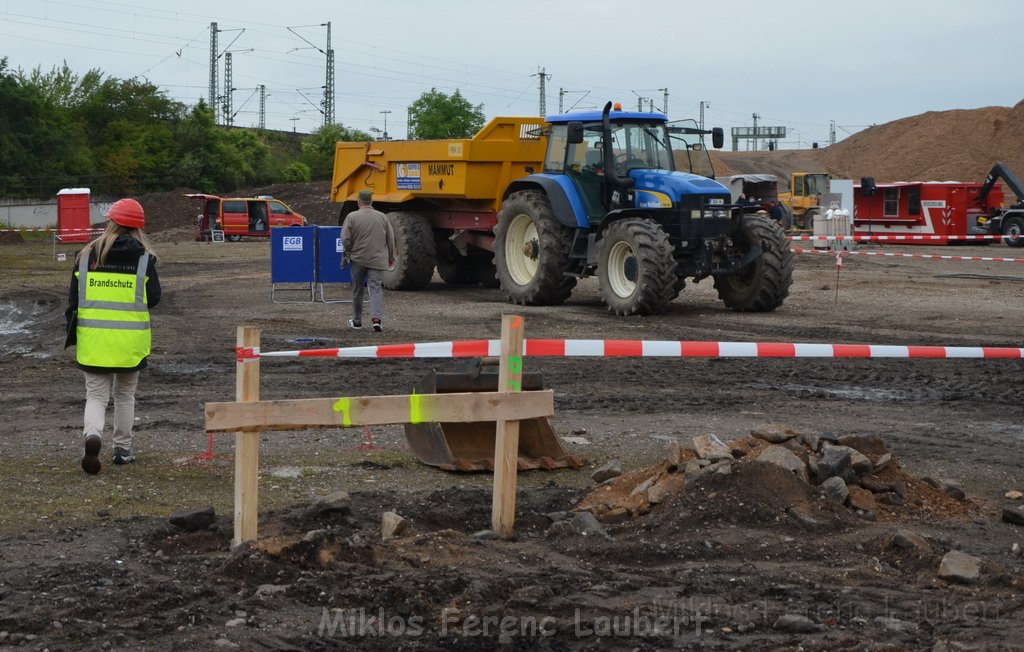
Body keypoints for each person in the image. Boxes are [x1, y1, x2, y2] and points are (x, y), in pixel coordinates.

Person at [65, 198, 161, 474]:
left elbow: (74, 301)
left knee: (95, 396)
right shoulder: (144, 258)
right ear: (137, 228)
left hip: (93, 341)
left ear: (111, 222)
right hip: (130, 343)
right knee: (124, 395)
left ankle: (92, 436)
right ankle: (122, 449)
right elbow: (153, 298)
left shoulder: (85, 256)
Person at [341, 189, 394, 332]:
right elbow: (390, 239)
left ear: (359, 202)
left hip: (357, 259)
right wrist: (391, 258)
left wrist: (348, 252)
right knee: (376, 289)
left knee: (357, 290)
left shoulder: (352, 217)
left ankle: (357, 321)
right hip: (377, 260)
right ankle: (376, 320)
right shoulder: (383, 217)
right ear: (372, 202)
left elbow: (345, 238)